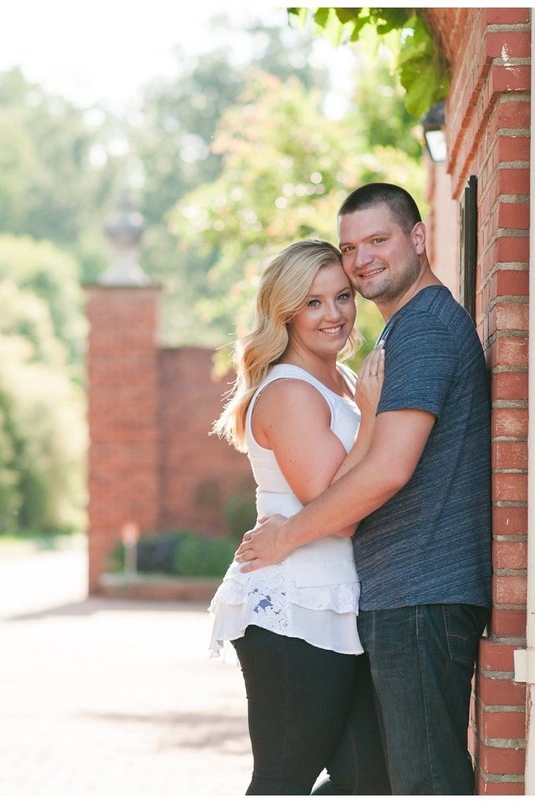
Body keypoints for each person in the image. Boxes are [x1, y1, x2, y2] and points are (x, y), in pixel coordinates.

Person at [235, 183, 492, 795]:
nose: (334, 310)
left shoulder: (408, 340)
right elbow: (358, 481)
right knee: (305, 778)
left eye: (378, 241)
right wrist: (282, 541)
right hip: (309, 600)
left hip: (397, 591)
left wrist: (288, 534)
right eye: (353, 246)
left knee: (384, 780)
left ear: (419, 237)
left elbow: (385, 469)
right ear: (286, 312)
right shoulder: (319, 380)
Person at [208, 239, 391, 796]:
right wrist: (375, 415)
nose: (333, 314)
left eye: (341, 297)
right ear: (285, 311)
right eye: (312, 302)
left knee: (367, 780)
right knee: (282, 781)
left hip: (335, 599)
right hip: (293, 607)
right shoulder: (291, 390)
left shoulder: (335, 382)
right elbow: (335, 509)